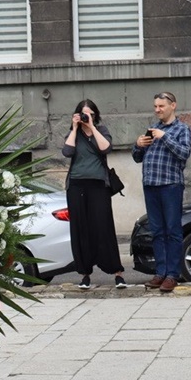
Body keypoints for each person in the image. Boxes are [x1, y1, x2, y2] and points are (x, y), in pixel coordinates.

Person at [62, 100, 126, 290]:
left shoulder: (102, 130)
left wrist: (91, 126)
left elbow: (106, 148)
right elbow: (67, 152)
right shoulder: (73, 134)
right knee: (80, 229)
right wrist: (75, 128)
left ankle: (118, 273)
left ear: (95, 115)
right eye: (82, 113)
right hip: (76, 186)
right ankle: (84, 274)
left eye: (89, 114)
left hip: (98, 186)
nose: (85, 116)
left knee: (103, 227)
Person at [133, 91, 191, 293]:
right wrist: (138, 145)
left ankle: (172, 275)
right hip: (150, 185)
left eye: (161, 106)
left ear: (172, 106)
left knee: (172, 231)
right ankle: (160, 273)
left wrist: (165, 137)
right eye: (155, 106)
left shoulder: (181, 129)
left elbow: (184, 153)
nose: (157, 109)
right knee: (157, 232)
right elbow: (137, 158)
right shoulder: (153, 128)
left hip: (170, 186)